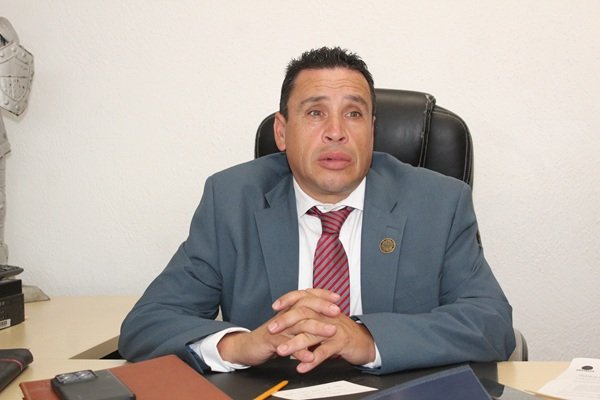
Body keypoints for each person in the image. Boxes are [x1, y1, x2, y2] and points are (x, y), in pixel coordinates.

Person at [119, 46, 515, 375]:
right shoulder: (231, 199)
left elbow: (491, 324)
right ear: (281, 132)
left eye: (354, 114)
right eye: (315, 113)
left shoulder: (439, 202)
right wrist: (241, 344)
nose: (336, 132)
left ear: (372, 130)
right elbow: (147, 324)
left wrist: (368, 339)